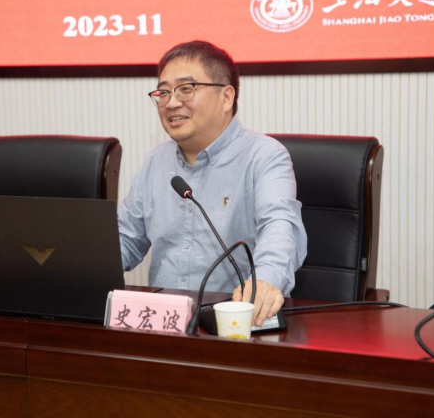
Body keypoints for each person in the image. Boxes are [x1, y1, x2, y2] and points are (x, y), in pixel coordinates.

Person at [118, 40, 307, 327]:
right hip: (163, 326)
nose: (171, 103)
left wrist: (265, 280)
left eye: (186, 89)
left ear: (226, 97)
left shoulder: (264, 156)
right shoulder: (157, 161)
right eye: (164, 92)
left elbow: (279, 227)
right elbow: (126, 240)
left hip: (235, 324)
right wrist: (78, 266)